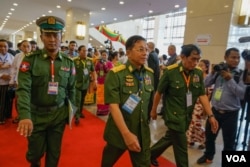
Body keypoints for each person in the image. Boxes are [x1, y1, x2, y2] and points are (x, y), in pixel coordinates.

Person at [16, 16, 76, 167]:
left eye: (56, 35)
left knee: (54, 153)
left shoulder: (68, 62)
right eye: (48, 35)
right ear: (41, 36)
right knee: (35, 153)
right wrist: (24, 115)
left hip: (58, 115)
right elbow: (23, 89)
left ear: (62, 37)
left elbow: (72, 88)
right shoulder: (30, 60)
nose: (52, 39)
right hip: (36, 115)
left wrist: (72, 112)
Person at [150, 44, 218, 167]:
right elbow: (158, 93)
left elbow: (202, 95)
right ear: (183, 57)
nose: (196, 63)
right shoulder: (170, 72)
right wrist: (153, 110)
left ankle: (149, 155)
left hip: (186, 116)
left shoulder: (197, 73)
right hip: (173, 116)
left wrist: (211, 115)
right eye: (193, 59)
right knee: (181, 148)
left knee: (170, 138)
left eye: (198, 59)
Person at [101, 35, 154, 167]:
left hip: (141, 132)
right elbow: (113, 107)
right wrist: (126, 134)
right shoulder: (116, 74)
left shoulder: (149, 74)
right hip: (119, 131)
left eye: (146, 50)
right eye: (140, 49)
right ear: (128, 52)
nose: (145, 53)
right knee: (107, 163)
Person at [197, 47, 246, 164]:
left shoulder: (241, 74)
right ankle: (208, 155)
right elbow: (205, 83)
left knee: (229, 142)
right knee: (209, 137)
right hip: (215, 111)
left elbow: (241, 94)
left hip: (231, 114)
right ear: (225, 58)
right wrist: (213, 72)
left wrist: (229, 79)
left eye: (238, 58)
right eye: (233, 57)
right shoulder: (219, 71)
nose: (236, 60)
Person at [186, 59, 211, 149]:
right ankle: (191, 140)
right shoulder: (195, 76)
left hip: (202, 104)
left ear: (206, 67)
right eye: (199, 65)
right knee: (191, 122)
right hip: (193, 102)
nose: (199, 66)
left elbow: (209, 94)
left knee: (197, 123)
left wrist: (206, 107)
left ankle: (204, 140)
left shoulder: (208, 78)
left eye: (202, 65)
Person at [9, 40, 32, 124]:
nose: (26, 48)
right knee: (18, 100)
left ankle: (29, 116)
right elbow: (14, 68)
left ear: (31, 47)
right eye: (24, 46)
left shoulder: (33, 57)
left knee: (30, 100)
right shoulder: (18, 56)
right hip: (18, 82)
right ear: (20, 47)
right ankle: (19, 116)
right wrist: (12, 80)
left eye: (28, 46)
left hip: (31, 83)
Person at [73, 45, 96, 125]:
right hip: (77, 84)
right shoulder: (74, 61)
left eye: (86, 51)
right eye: (83, 50)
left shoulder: (90, 61)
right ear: (79, 51)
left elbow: (93, 71)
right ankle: (77, 116)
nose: (85, 52)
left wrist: (95, 81)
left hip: (85, 84)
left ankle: (80, 111)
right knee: (77, 100)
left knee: (82, 100)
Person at [0, 39, 15, 124]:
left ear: (8, 47)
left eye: (5, 46)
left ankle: (5, 115)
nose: (2, 48)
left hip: (8, 83)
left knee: (7, 100)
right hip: (1, 81)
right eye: (0, 46)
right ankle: (1, 118)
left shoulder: (11, 57)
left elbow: (14, 69)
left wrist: (11, 78)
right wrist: (1, 75)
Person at [95, 50, 113, 115]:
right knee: (99, 96)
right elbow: (96, 69)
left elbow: (110, 71)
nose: (104, 56)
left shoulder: (109, 63)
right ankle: (99, 110)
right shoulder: (99, 63)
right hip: (100, 81)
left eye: (105, 55)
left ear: (107, 56)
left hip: (107, 82)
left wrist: (105, 65)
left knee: (105, 96)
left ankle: (105, 110)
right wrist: (98, 72)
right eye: (103, 55)